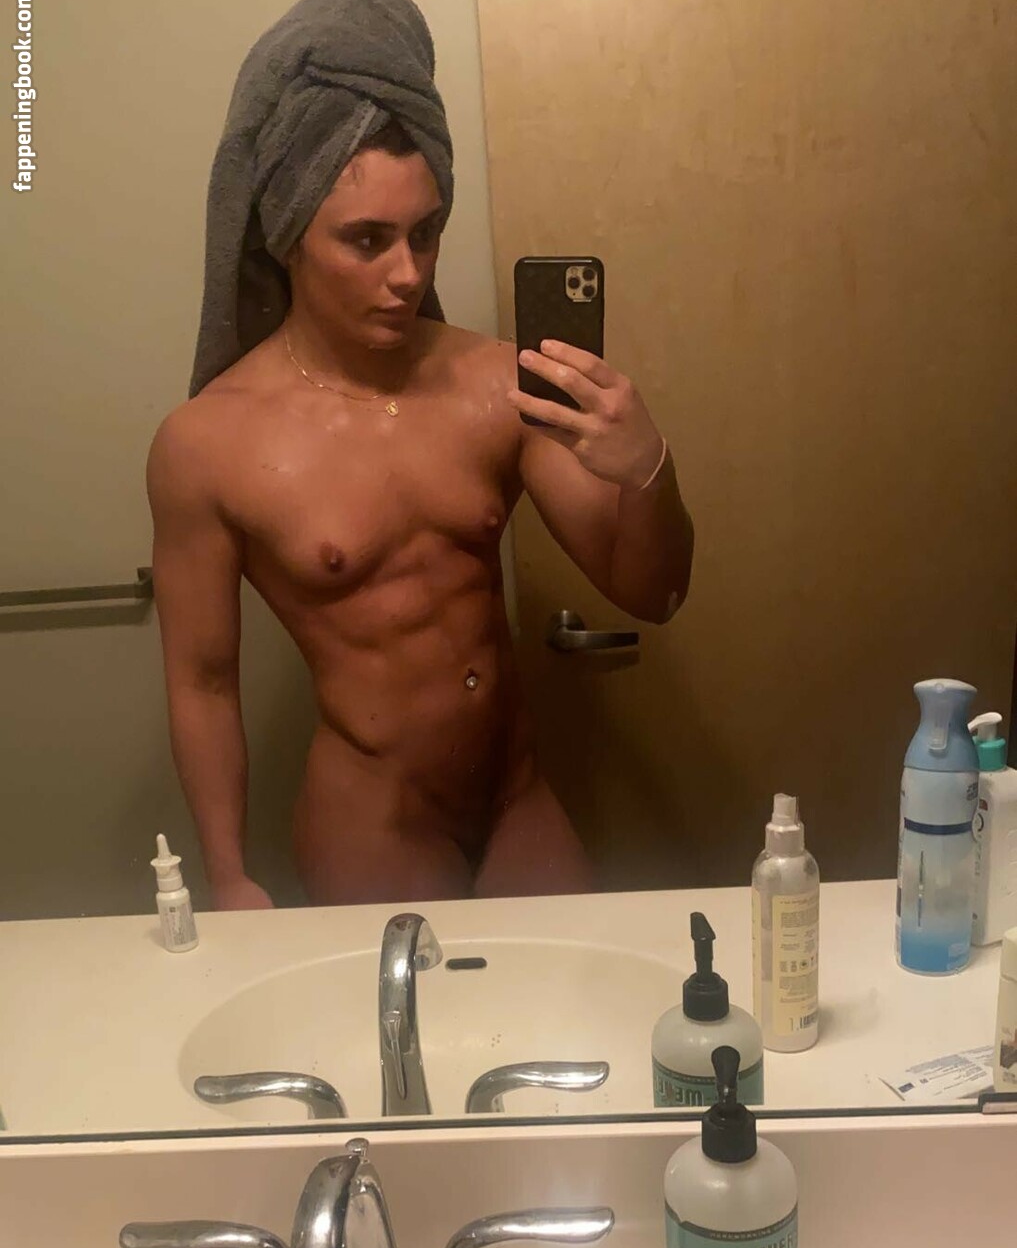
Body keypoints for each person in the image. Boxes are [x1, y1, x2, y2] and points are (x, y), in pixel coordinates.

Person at [148, 120, 694, 908]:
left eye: (425, 234)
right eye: (367, 240)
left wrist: (647, 468)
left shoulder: (498, 383)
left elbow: (652, 594)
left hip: (518, 802)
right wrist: (227, 875)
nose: (406, 274)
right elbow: (202, 683)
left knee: (574, 985)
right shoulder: (206, 443)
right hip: (374, 822)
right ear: (287, 238)